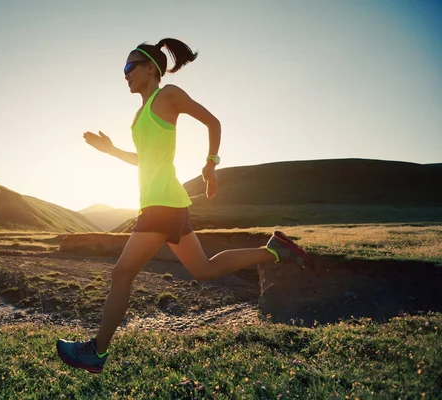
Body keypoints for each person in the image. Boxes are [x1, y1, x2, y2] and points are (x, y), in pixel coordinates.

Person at [56, 38, 313, 373]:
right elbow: (145, 160)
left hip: (162, 205)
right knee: (203, 269)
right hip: (166, 202)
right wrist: (111, 150)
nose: (125, 74)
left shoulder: (168, 96)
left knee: (122, 273)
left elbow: (213, 122)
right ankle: (274, 250)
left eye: (129, 67)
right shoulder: (141, 112)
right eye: (123, 69)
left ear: (151, 68)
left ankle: (96, 352)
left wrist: (210, 164)